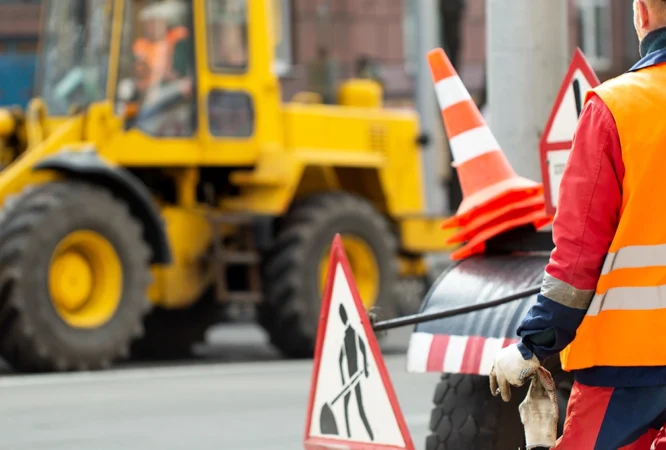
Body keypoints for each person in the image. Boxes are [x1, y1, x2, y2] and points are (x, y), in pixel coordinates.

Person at [489, 1, 666, 448]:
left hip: (627, 373)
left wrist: (533, 345)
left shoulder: (618, 108)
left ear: (641, 13)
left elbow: (576, 261)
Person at [337, 304, 373, 441]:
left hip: (356, 375)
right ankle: (347, 433)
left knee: (359, 406)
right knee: (346, 405)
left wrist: (364, 368)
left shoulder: (353, 332)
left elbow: (363, 349)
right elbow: (340, 358)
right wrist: (342, 376)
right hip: (348, 377)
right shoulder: (345, 334)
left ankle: (369, 434)